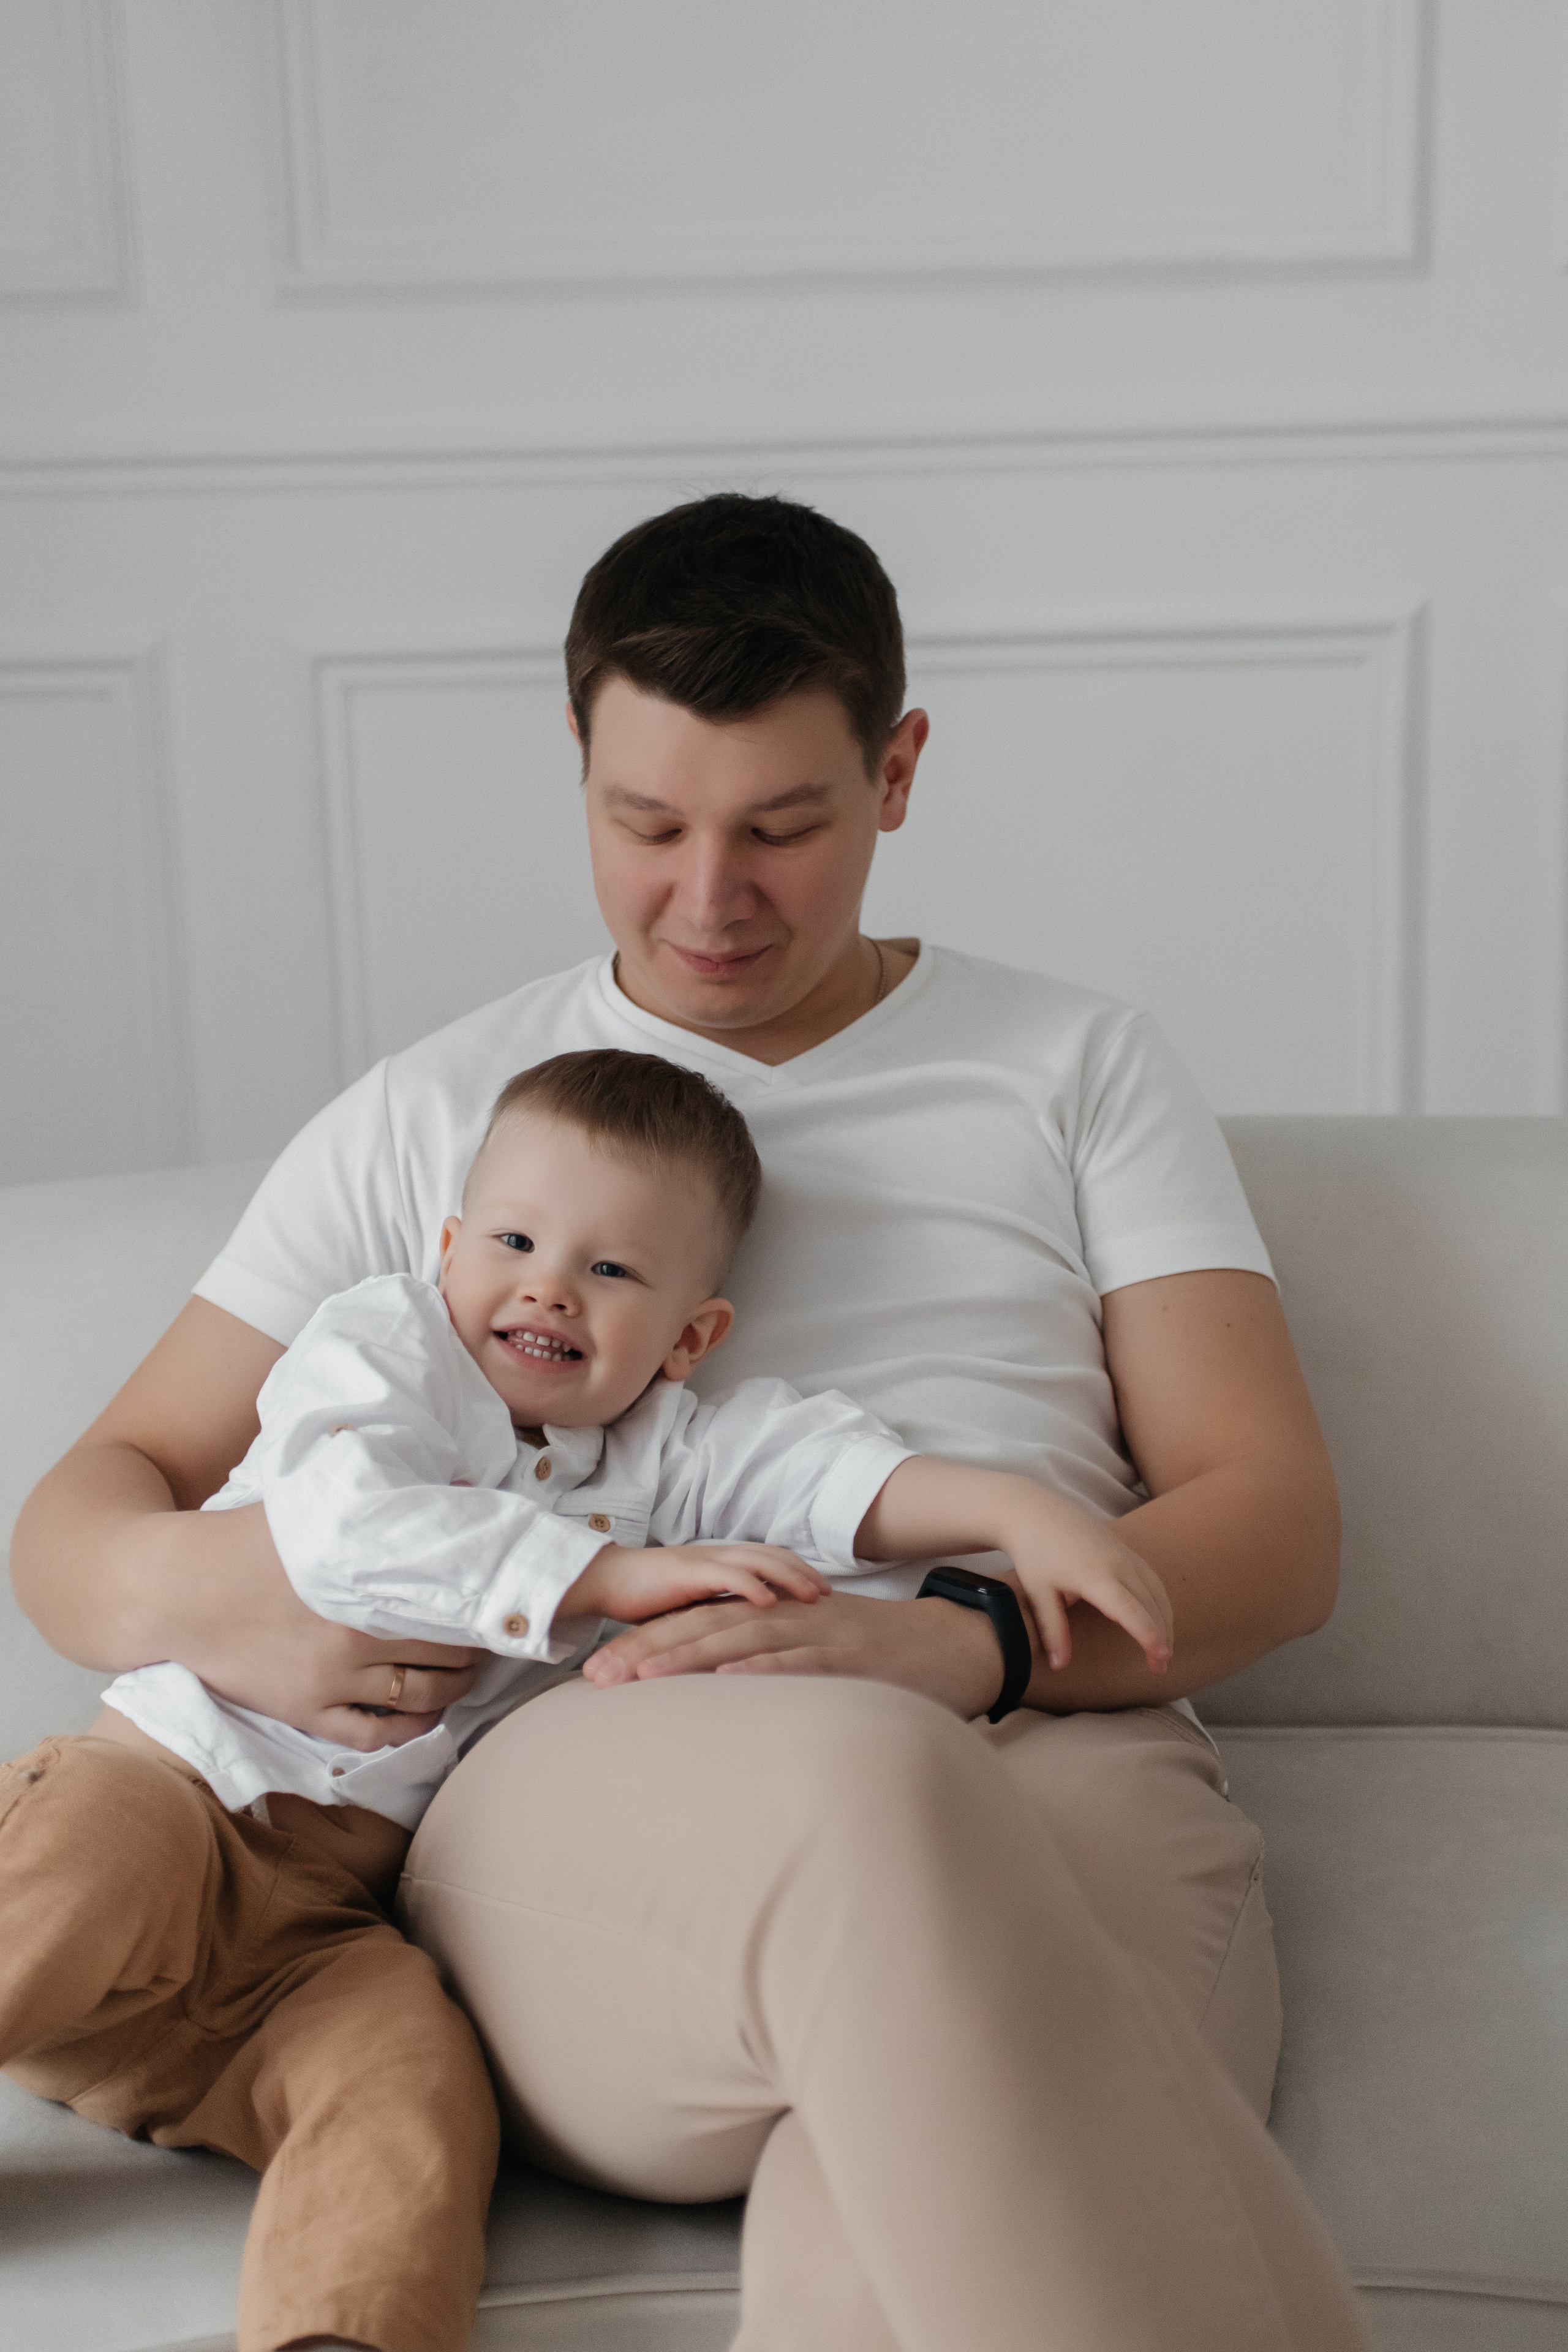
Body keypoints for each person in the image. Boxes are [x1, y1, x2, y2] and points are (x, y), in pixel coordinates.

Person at [11, 493, 1371, 2352]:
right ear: (577, 770)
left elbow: (1275, 1525)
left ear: (895, 774)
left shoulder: (1076, 1068)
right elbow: (87, 1513)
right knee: (873, 1813)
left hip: (1066, 1742)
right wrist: (249, 1593)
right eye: (645, 826)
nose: (709, 898)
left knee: (937, 2151)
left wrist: (957, 1642)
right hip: (617, 1770)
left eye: (783, 827)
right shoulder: (444, 1120)